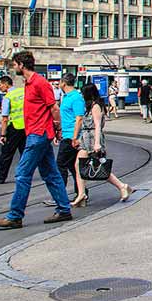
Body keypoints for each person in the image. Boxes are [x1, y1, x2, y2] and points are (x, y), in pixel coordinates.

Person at [0, 51, 73, 229]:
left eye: (14, 64)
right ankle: (64, 210)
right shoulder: (29, 83)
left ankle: (15, 216)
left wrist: (57, 128)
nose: (14, 67)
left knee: (22, 174)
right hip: (37, 133)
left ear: (21, 65)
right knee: (51, 174)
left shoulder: (39, 83)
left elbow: (54, 108)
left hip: (38, 134)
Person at [74, 83, 134, 203]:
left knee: (98, 166)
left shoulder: (96, 106)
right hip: (86, 138)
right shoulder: (90, 106)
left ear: (88, 94)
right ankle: (81, 194)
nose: (81, 95)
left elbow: (97, 125)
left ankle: (122, 186)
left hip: (92, 138)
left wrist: (97, 143)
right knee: (78, 165)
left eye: (82, 93)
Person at [51, 74, 85, 206]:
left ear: (63, 83)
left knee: (60, 165)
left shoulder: (76, 97)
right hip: (66, 135)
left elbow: (79, 118)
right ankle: (81, 193)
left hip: (72, 136)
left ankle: (60, 196)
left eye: (59, 81)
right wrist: (59, 132)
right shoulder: (66, 97)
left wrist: (75, 137)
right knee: (72, 166)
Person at [0, 75, 26, 184]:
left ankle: (0, 177)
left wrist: (3, 134)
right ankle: (24, 174)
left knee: (6, 153)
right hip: (26, 127)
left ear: (6, 84)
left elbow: (5, 118)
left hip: (14, 128)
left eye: (0, 85)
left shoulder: (8, 97)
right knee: (24, 153)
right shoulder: (23, 92)